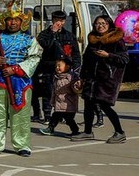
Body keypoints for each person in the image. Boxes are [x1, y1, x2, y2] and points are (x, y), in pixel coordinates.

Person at [0, 6, 41, 156]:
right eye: (9, 20)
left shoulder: (29, 40)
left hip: (20, 81)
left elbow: (35, 58)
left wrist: (15, 69)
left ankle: (22, 145)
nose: (12, 23)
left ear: (21, 22)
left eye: (16, 20)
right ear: (4, 21)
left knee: (20, 113)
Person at [72, 15, 128, 143]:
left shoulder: (117, 40)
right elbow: (85, 60)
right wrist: (82, 77)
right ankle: (87, 132)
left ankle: (120, 132)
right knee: (88, 105)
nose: (100, 26)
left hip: (107, 79)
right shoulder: (93, 40)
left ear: (109, 25)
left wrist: (108, 55)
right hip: (91, 79)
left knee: (104, 105)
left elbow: (124, 59)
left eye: (103, 23)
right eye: (97, 23)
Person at [32, 9, 81, 123]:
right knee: (48, 91)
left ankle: (63, 114)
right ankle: (47, 115)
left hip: (65, 68)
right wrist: (53, 34)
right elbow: (46, 46)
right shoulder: (44, 34)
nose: (59, 23)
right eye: (57, 20)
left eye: (62, 20)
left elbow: (75, 53)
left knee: (64, 92)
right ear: (52, 20)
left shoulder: (69, 35)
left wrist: (76, 68)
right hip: (49, 67)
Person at [39, 56, 80, 136]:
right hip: (59, 103)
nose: (57, 68)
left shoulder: (71, 77)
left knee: (69, 119)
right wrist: (52, 101)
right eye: (56, 66)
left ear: (67, 66)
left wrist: (77, 85)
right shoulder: (57, 77)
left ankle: (75, 130)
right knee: (55, 117)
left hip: (68, 104)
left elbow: (75, 88)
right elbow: (55, 91)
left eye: (59, 66)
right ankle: (50, 128)